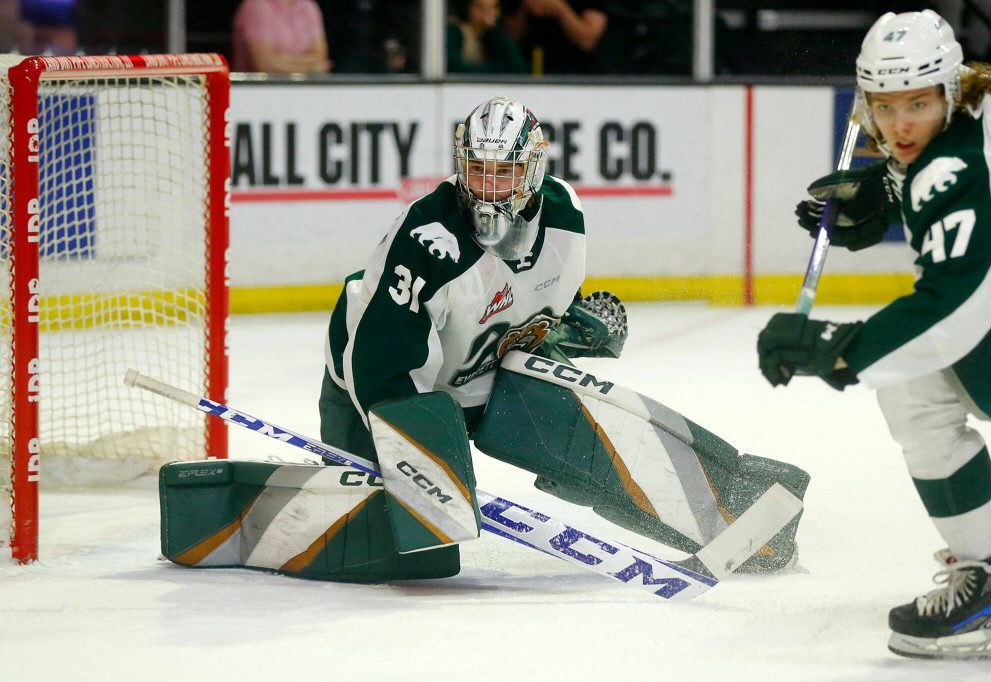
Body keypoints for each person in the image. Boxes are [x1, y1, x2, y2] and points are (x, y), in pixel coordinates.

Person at [321, 95, 809, 582]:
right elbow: (379, 366)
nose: (489, 189)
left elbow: (514, 307)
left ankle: (747, 518)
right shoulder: (426, 238)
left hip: (488, 379)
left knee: (592, 436)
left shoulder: (563, 214)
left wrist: (565, 328)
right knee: (422, 558)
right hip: (387, 391)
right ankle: (339, 509)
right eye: (477, 169)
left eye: (506, 171)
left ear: (534, 169)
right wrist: (428, 465)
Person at [756, 9, 991, 660]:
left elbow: (957, 301)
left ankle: (990, 589)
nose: (900, 124)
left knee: (911, 381)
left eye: (917, 104)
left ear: (947, 92)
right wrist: (888, 187)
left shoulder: (953, 169)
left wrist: (840, 349)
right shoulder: (990, 99)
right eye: (884, 106)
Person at [504, 0, 608, 74]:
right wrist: (524, 8)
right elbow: (507, 38)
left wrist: (560, 9)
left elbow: (587, 40)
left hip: (576, 75)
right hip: (521, 72)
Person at [231, 0, 330, 74]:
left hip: (304, 90)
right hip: (259, 92)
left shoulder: (308, 6)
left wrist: (281, 58)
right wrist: (311, 68)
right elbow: (264, 65)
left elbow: (321, 57)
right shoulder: (256, 6)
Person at [447, 0, 528, 74]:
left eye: (494, 7)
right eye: (479, 7)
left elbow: (518, 69)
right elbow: (453, 68)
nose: (488, 13)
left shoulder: (494, 35)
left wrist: (496, 32)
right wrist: (497, 70)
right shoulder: (455, 31)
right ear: (467, 8)